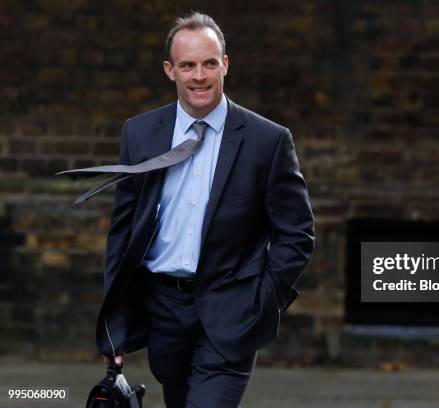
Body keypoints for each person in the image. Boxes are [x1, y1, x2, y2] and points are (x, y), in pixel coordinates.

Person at [97, 12, 314, 407]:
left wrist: (263, 301)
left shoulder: (267, 141)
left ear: (225, 64)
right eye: (188, 65)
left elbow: (296, 234)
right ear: (170, 70)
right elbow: (124, 233)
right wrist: (116, 326)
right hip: (163, 309)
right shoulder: (140, 133)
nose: (200, 75)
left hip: (233, 309)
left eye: (209, 63)